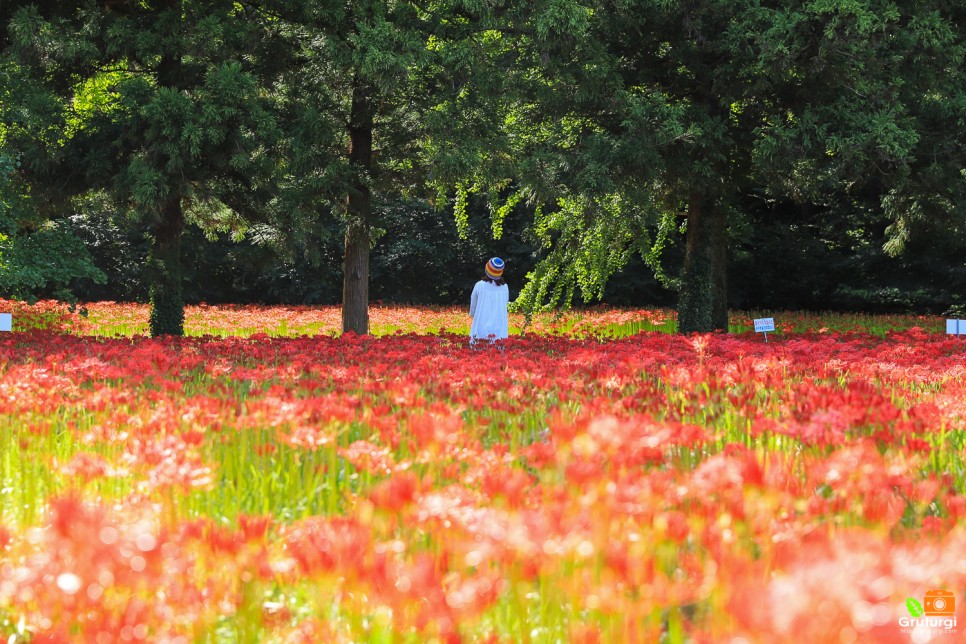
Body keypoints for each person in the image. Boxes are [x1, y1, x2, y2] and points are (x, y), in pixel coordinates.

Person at [469, 257, 509, 345]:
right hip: (499, 324)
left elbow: (473, 303)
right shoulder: (504, 287)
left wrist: (472, 314)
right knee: (498, 351)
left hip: (481, 322)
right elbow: (505, 302)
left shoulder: (479, 285)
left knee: (479, 347)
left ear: (486, 270)